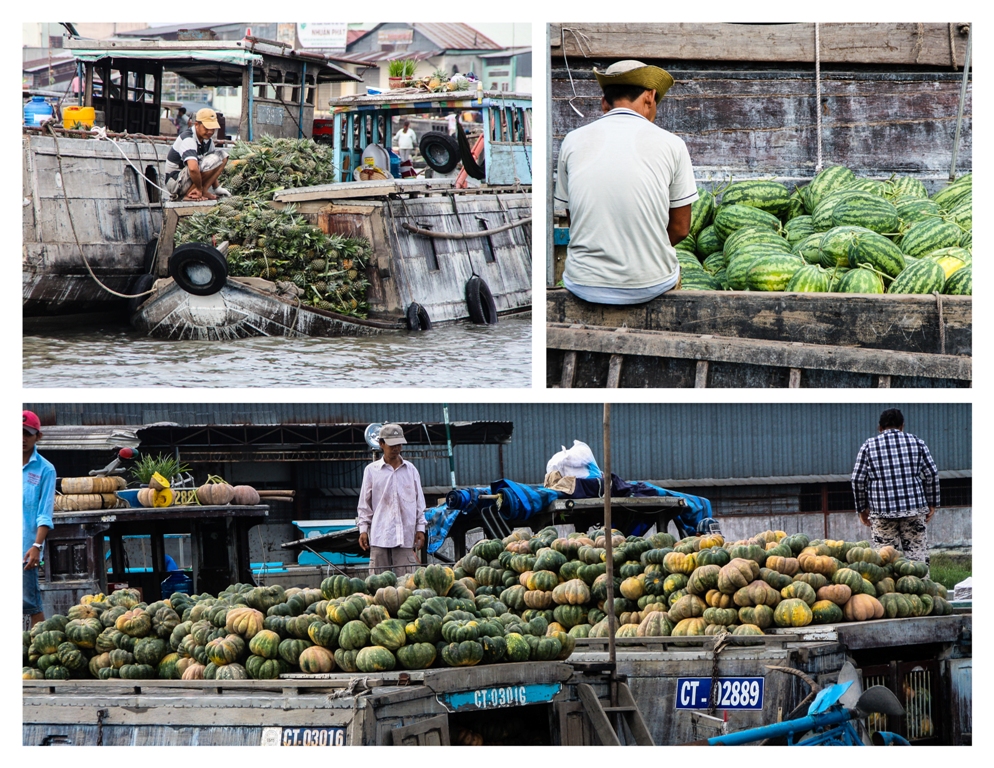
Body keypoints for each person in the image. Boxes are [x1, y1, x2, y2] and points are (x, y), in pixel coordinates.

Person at [554, 60, 699, 304]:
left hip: (583, 283)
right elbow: (681, 228)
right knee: (671, 272)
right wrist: (645, 246)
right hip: (650, 284)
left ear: (604, 103)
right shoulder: (673, 144)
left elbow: (574, 219)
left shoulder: (572, 141)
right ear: (650, 97)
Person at [851, 408, 939, 567]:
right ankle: (922, 589)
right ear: (902, 426)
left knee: (885, 561)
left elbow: (857, 480)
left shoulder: (868, 446)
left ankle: (891, 590)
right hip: (914, 509)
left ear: (880, 428)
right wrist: (932, 503)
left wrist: (862, 508)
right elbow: (932, 474)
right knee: (917, 558)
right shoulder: (917, 442)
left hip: (882, 512)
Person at [357, 424, 426, 576]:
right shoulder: (371, 471)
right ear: (381, 444)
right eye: (392, 444)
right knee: (378, 585)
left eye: (399, 444)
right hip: (380, 535)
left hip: (405, 536)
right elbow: (364, 505)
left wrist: (420, 528)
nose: (396, 448)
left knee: (407, 585)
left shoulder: (411, 470)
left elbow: (419, 503)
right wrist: (363, 530)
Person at [23, 410, 54, 627]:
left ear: (38, 436)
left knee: (31, 604)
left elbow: (45, 513)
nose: (21, 439)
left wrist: (36, 545)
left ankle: (36, 657)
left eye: (27, 433)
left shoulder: (45, 469)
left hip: (25, 550)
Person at [164, 108, 229, 201]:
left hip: (186, 179)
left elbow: (213, 165)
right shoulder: (188, 139)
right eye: (206, 128)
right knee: (218, 156)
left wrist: (216, 188)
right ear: (197, 125)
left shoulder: (208, 141)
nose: (210, 132)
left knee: (222, 157)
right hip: (175, 182)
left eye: (213, 129)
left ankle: (204, 190)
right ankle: (188, 194)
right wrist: (198, 188)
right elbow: (193, 169)